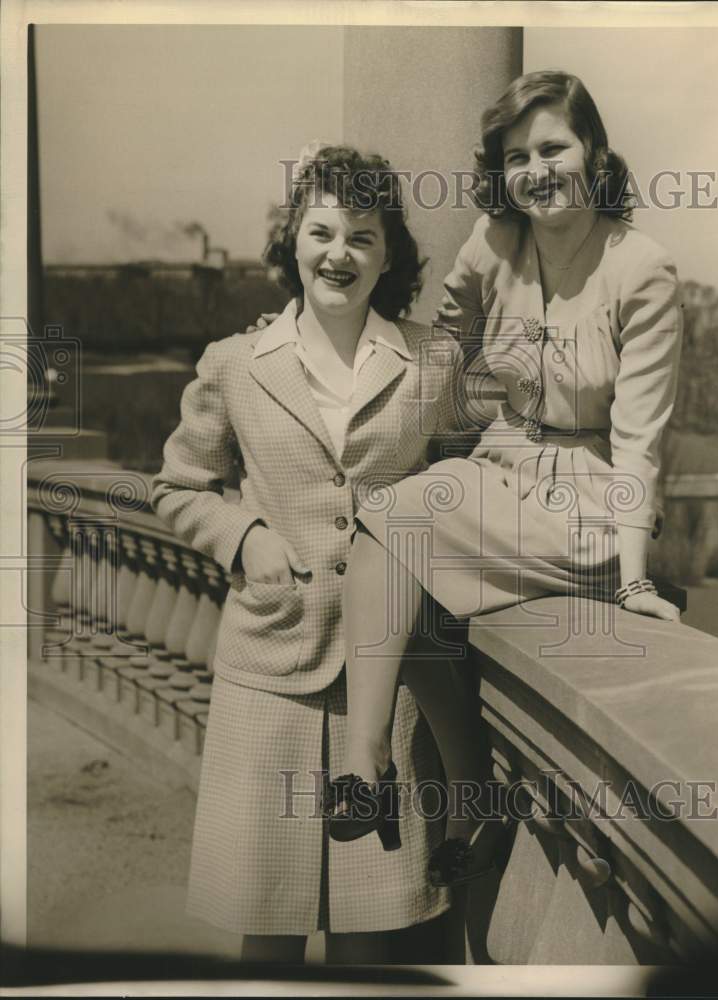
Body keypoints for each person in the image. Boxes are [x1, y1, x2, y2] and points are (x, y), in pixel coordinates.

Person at [331, 70, 684, 886]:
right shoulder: (494, 244)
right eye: (517, 156)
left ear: (593, 150)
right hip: (503, 460)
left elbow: (639, 440)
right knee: (391, 541)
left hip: (592, 496)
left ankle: (425, 783)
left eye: (553, 146)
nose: (537, 169)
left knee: (398, 532)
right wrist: (323, 325)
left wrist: (634, 584)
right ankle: (369, 767)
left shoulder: (645, 269)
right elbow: (439, 344)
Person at [151, 144, 476, 964]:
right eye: (321, 231)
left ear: (389, 255)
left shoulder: (433, 363)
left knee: (376, 944)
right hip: (270, 678)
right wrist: (243, 535)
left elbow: (473, 487)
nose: (339, 253)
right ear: (291, 241)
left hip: (387, 683)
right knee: (268, 940)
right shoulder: (234, 364)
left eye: (363, 237)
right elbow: (177, 485)